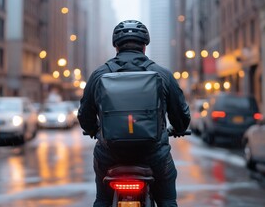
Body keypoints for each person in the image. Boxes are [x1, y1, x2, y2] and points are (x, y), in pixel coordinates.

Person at [78, 20, 191, 207]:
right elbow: (180, 114)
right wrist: (178, 128)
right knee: (167, 200)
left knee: (103, 200)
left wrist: (93, 129)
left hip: (110, 154)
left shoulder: (99, 75)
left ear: (116, 46)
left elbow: (84, 115)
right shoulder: (162, 74)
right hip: (154, 154)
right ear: (145, 46)